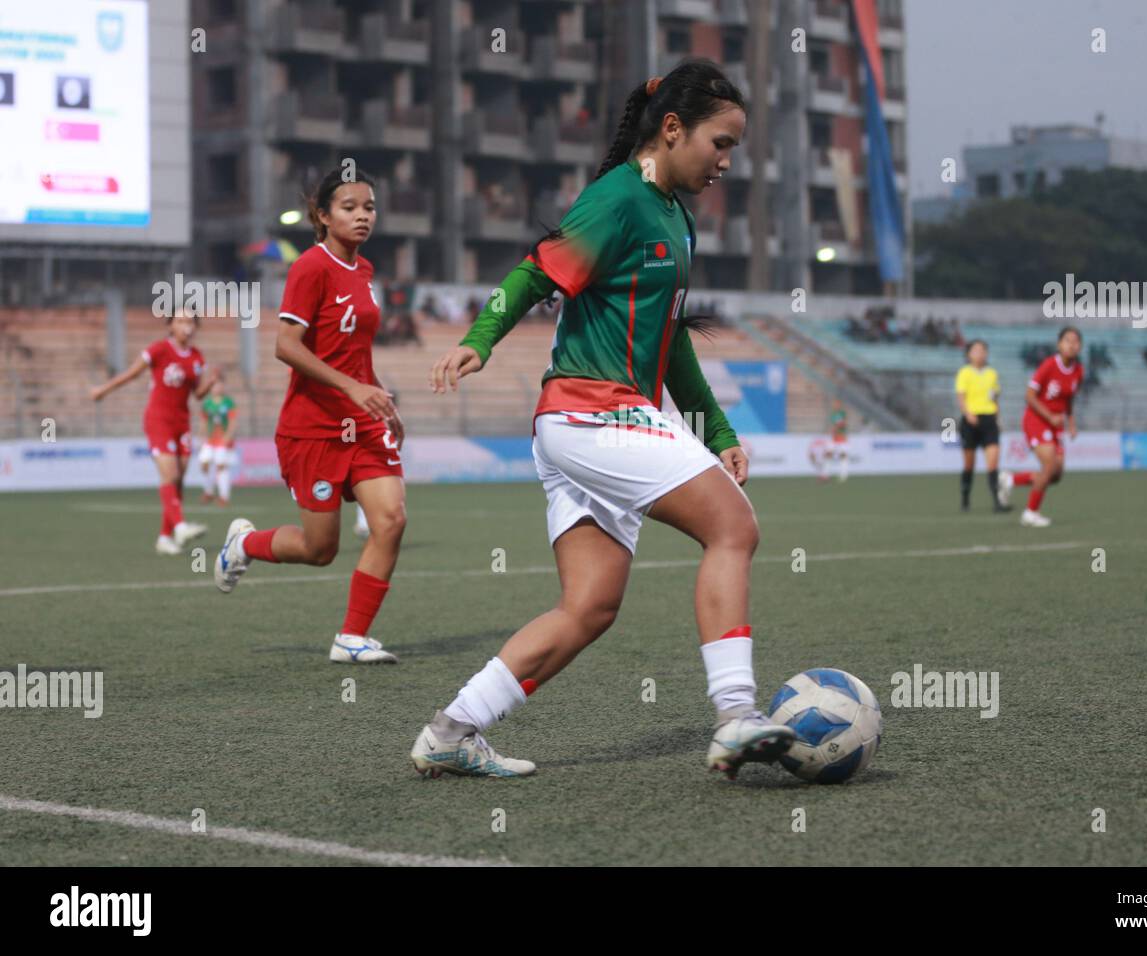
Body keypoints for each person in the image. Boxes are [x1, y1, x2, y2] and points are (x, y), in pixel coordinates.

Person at [412, 60, 794, 780]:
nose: (725, 162)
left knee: (589, 606)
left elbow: (671, 335)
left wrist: (715, 429)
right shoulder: (617, 199)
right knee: (733, 526)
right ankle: (737, 713)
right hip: (594, 414)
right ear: (673, 129)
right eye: (720, 143)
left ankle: (452, 729)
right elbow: (535, 270)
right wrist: (478, 341)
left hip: (588, 426)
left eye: (734, 148)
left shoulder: (677, 217)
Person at [213, 167, 408, 664]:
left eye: (368, 206)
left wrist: (380, 400)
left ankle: (351, 638)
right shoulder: (310, 268)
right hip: (313, 427)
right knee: (320, 550)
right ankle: (244, 543)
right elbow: (285, 345)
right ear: (322, 216)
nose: (362, 215)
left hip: (362, 424)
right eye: (349, 207)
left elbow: (354, 353)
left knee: (390, 519)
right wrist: (351, 388)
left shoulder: (363, 272)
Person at [90, 308, 212, 554]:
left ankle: (165, 537)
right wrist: (103, 390)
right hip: (159, 420)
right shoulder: (159, 349)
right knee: (170, 473)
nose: (186, 325)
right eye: (180, 321)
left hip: (182, 422)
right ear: (170, 326)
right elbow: (132, 374)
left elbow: (197, 394)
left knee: (178, 479)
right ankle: (179, 526)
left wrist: (211, 382)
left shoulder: (197, 357)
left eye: (190, 321)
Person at [998, 327, 1084, 527]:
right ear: (1059, 344)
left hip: (1056, 425)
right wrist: (1050, 416)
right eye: (1067, 340)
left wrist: (1071, 423)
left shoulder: (1079, 370)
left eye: (1076, 341)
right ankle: (1030, 513)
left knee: (1055, 475)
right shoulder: (1048, 365)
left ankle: (1011, 480)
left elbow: (1069, 399)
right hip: (1036, 419)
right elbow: (1029, 395)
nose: (1072, 345)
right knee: (1049, 465)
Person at [954, 340, 1009, 512]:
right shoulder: (964, 372)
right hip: (970, 421)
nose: (980, 353)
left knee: (993, 463)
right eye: (976, 350)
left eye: (983, 350)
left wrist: (998, 419)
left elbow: (995, 398)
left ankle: (997, 502)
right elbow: (961, 397)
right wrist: (968, 414)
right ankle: (965, 499)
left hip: (989, 420)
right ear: (969, 354)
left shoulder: (992, 373)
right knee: (969, 464)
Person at [198, 373, 238, 506]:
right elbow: (203, 421)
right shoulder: (207, 403)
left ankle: (224, 496)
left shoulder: (228, 403)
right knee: (204, 463)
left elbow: (233, 421)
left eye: (220, 384)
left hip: (223, 441)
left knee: (221, 466)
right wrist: (201, 435)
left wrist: (228, 436)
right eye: (215, 385)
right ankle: (208, 491)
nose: (217, 387)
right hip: (210, 440)